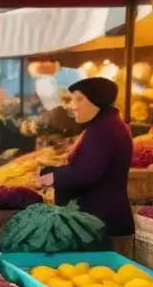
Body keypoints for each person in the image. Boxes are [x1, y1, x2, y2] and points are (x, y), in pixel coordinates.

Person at [39, 77, 134, 253]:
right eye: (72, 99)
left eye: (79, 99)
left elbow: (87, 172)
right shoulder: (105, 125)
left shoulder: (104, 130)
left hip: (101, 224)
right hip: (101, 221)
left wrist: (53, 176)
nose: (73, 106)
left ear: (98, 100)